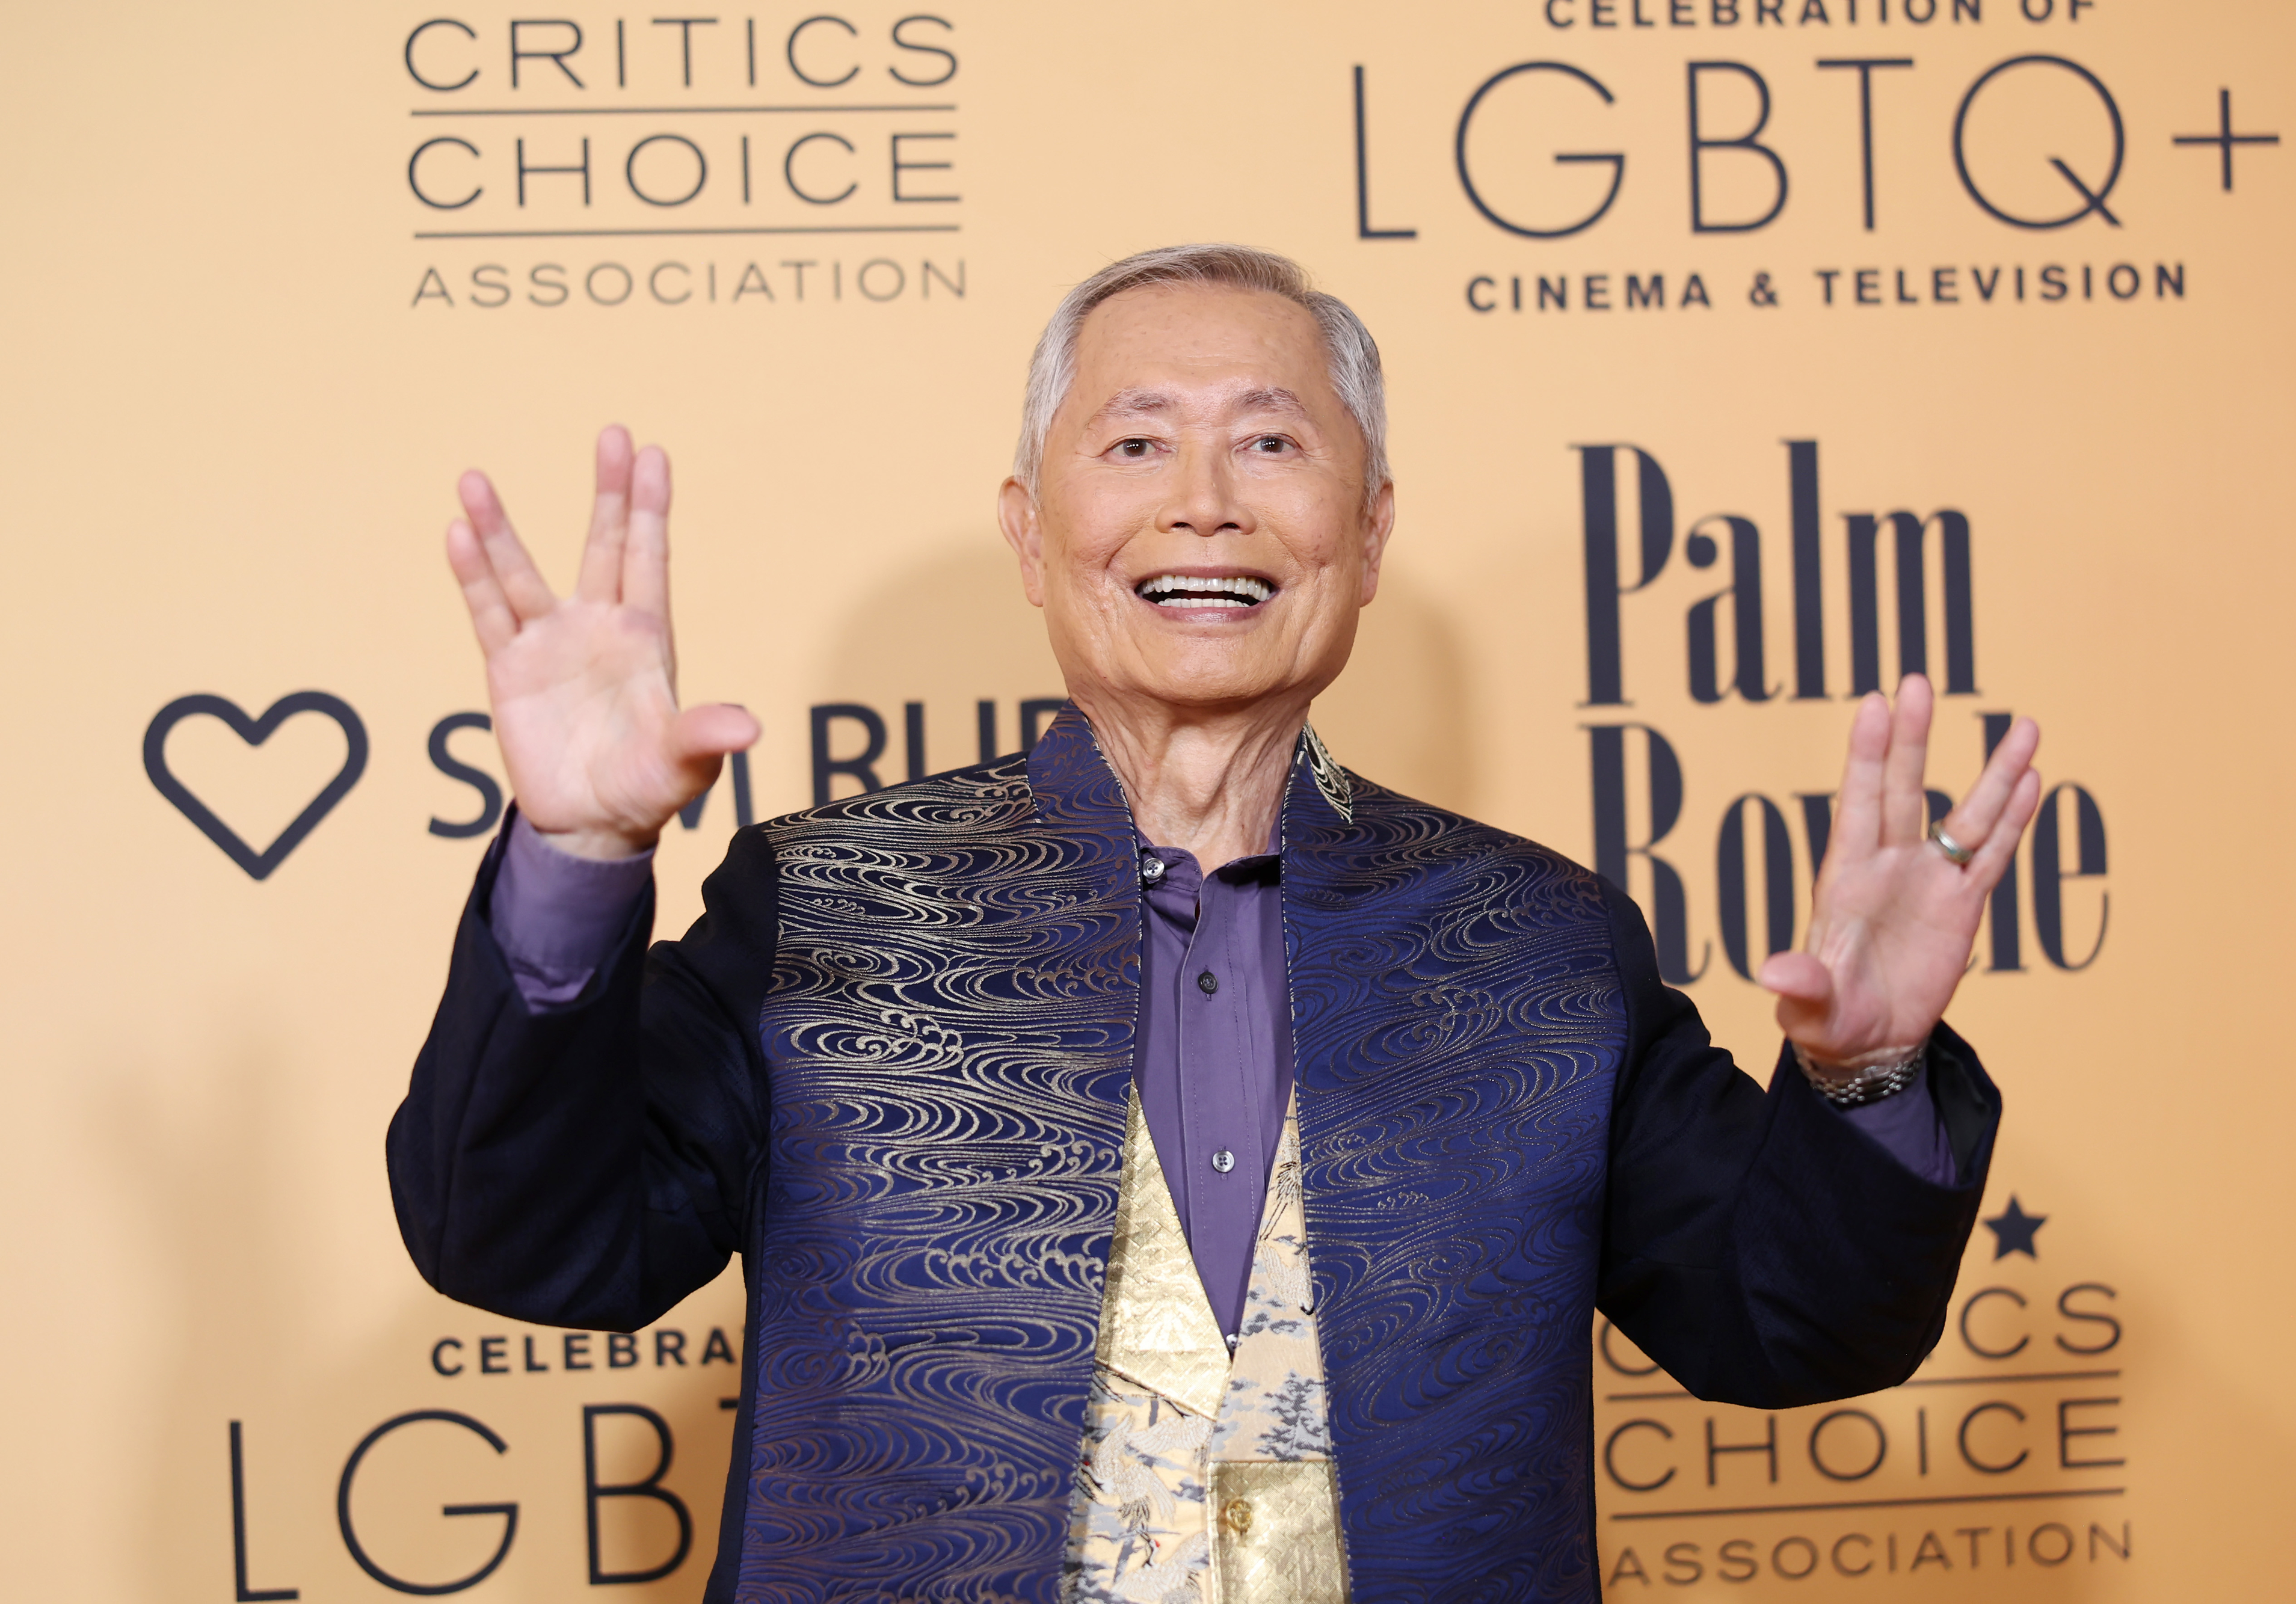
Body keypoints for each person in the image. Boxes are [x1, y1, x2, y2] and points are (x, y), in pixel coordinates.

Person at [391, 244, 2040, 1603]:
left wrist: (1871, 1076)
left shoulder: (1542, 947)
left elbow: (1790, 1324)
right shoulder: (828, 906)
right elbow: (529, 1242)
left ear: (1370, 530)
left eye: (1269, 441)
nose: (1204, 503)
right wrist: (577, 852)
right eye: (1133, 443)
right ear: (1032, 536)